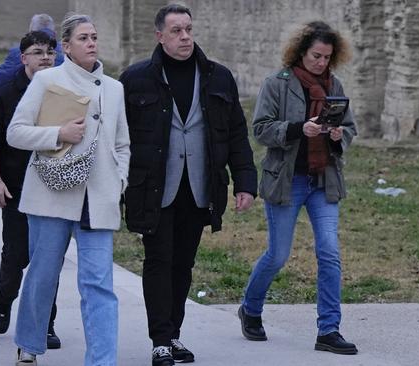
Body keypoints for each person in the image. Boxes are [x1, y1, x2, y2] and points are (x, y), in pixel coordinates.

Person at [119, 4, 258, 365]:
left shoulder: (218, 77)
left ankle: (175, 334)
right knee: (158, 260)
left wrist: (245, 181)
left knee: (183, 264)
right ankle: (160, 340)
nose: (184, 37)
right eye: (176, 30)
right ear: (159, 36)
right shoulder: (136, 79)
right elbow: (117, 139)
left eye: (188, 29)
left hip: (199, 187)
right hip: (153, 187)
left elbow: (237, 135)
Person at [7, 13, 130, 366]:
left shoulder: (114, 88)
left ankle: (102, 360)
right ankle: (29, 344)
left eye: (94, 37)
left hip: (99, 198)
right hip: (51, 194)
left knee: (99, 285)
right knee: (42, 276)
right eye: (83, 38)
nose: (91, 43)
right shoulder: (47, 80)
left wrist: (118, 180)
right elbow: (16, 132)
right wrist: (58, 134)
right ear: (66, 46)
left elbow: (123, 144)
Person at [239, 21, 358, 355]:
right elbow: (260, 129)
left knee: (330, 252)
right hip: (286, 180)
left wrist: (338, 137)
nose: (321, 62)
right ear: (301, 52)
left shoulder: (335, 84)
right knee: (277, 255)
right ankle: (250, 308)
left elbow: (349, 128)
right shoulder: (277, 84)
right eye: (315, 56)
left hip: (323, 181)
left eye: (326, 57)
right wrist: (296, 129)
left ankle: (329, 330)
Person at [0, 31, 62, 349]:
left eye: (50, 52)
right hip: (16, 187)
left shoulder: (63, 91)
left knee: (49, 258)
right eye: (38, 52)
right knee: (17, 255)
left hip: (54, 188)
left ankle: (45, 324)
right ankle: (4, 298)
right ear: (23, 57)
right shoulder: (3, 95)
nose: (45, 58)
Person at [0, 13, 64, 112]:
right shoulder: (66, 51)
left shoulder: (20, 51)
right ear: (54, 33)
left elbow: (0, 77)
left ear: (30, 32)